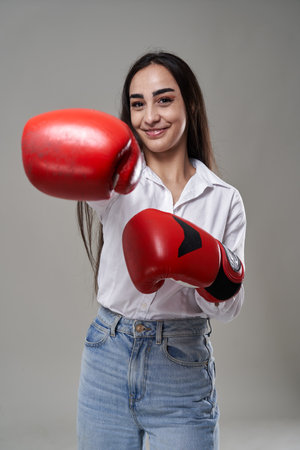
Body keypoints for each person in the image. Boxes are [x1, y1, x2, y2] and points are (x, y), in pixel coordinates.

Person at [22, 51, 246, 450]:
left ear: (189, 104)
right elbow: (59, 152)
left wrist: (203, 268)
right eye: (137, 104)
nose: (150, 117)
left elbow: (228, 307)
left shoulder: (224, 199)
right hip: (108, 352)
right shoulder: (115, 183)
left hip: (181, 364)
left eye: (164, 100)